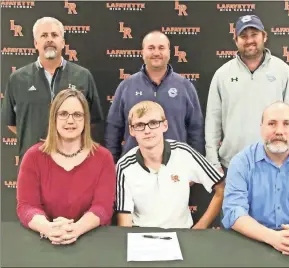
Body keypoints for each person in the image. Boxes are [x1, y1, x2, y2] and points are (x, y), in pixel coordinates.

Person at [222, 101, 289, 255]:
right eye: (271, 124)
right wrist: (273, 238)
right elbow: (233, 211)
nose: (279, 131)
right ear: (261, 127)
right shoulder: (241, 162)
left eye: (286, 124)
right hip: (251, 242)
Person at [205, 14, 289, 172]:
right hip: (233, 165)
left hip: (276, 164)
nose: (249, 40)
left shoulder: (283, 71)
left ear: (264, 36)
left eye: (254, 34)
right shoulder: (222, 74)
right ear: (236, 40)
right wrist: (213, 164)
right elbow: (212, 123)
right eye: (243, 36)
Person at [16, 89, 116, 245]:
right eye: (63, 114)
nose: (70, 121)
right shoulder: (33, 157)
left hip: (91, 242)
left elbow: (102, 207)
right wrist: (49, 229)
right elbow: (27, 206)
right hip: (46, 242)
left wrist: (75, 230)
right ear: (53, 118)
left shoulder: (103, 158)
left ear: (86, 120)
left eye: (77, 115)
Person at [3, 17, 103, 160]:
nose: (49, 39)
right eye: (44, 35)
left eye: (54, 35)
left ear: (63, 43)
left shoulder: (83, 76)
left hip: (72, 160)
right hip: (32, 161)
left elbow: (91, 120)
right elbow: (12, 123)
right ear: (35, 43)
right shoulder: (17, 79)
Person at [116, 101, 224, 229]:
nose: (147, 130)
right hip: (142, 237)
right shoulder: (124, 166)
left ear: (165, 125)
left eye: (154, 123)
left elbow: (221, 188)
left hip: (183, 235)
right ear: (132, 130)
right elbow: (124, 221)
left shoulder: (184, 153)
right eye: (139, 125)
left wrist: (199, 228)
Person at [105, 30, 204, 163]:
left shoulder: (185, 87)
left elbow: (196, 131)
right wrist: (112, 165)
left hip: (175, 168)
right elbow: (113, 130)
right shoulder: (126, 86)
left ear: (169, 52)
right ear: (142, 52)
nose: (156, 53)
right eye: (151, 48)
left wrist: (194, 167)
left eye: (161, 48)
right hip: (134, 170)